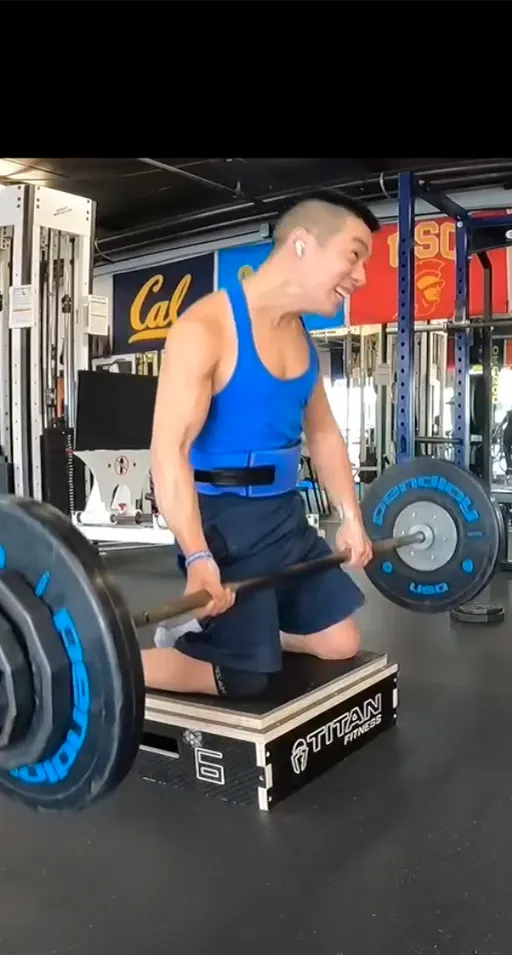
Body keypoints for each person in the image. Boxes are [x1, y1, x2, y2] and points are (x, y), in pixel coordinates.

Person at [141, 192, 380, 698]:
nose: (360, 276)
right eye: (354, 254)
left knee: (340, 642)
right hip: (223, 523)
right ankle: (95, 664)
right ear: (301, 244)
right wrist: (198, 556)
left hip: (283, 517)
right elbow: (169, 451)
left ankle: (235, 633)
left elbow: (323, 433)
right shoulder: (205, 328)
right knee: (243, 678)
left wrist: (350, 517)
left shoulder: (304, 341)